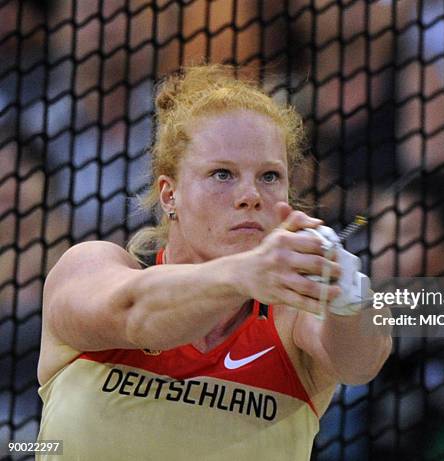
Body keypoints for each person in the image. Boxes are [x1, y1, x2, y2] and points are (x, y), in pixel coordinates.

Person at [36, 64, 392, 460]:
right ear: (170, 196)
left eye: (270, 176)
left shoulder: (290, 315)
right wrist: (243, 275)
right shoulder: (90, 265)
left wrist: (349, 296)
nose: (250, 195)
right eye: (223, 174)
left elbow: (362, 363)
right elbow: (137, 315)